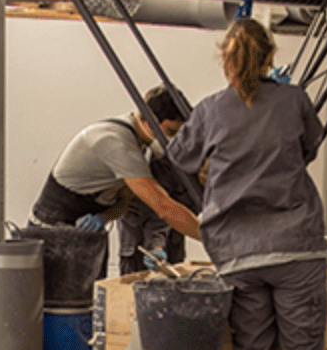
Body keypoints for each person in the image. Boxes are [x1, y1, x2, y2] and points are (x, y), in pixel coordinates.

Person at [166, 18, 327, 350]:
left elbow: (179, 155)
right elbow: (309, 150)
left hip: (239, 254)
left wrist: (214, 164)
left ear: (225, 60)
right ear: (270, 56)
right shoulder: (295, 100)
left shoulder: (210, 111)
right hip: (296, 248)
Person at [31, 85, 202, 250]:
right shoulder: (116, 143)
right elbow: (163, 206)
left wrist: (103, 217)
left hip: (88, 231)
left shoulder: (140, 145)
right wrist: (212, 239)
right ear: (150, 121)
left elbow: (124, 203)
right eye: (170, 132)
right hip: (51, 230)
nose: (173, 140)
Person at [115, 150, 201, 277]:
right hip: (141, 225)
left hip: (175, 231)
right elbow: (160, 210)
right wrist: (156, 246)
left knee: (177, 277)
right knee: (137, 280)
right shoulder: (166, 161)